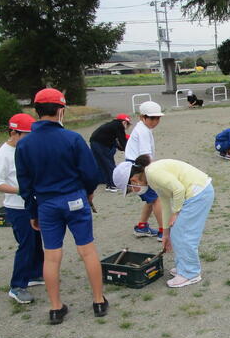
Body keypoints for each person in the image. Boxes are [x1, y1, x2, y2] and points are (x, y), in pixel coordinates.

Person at [15, 88, 107, 325]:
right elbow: (90, 173)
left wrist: (32, 211)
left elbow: (25, 183)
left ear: (36, 111)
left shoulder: (24, 144)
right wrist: (88, 193)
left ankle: (55, 308)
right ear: (61, 110)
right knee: (87, 250)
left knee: (52, 256)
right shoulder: (72, 138)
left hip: (46, 203)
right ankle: (98, 301)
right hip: (74, 199)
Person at [113, 156, 214, 288]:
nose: (134, 192)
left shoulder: (152, 173)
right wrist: (166, 233)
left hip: (198, 193)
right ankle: (184, 268)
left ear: (134, 181)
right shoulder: (151, 178)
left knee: (184, 234)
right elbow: (165, 203)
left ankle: (190, 273)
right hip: (196, 193)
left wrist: (176, 212)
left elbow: (178, 189)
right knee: (176, 233)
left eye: (131, 190)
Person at [0, 113, 44, 304]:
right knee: (26, 244)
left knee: (37, 241)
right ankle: (17, 286)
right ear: (14, 133)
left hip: (32, 203)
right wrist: (20, 190)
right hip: (17, 207)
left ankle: (35, 274)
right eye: (26, 135)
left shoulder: (26, 149)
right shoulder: (3, 154)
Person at [124, 100, 165, 239]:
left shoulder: (143, 129)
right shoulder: (143, 131)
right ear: (142, 117)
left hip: (138, 167)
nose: (155, 121)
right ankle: (163, 232)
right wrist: (154, 173)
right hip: (139, 169)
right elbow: (146, 156)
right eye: (152, 118)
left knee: (151, 198)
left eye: (158, 118)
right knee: (156, 198)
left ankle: (142, 226)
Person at [89, 113, 130, 191]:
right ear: (124, 122)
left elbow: (117, 141)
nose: (127, 127)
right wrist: (128, 151)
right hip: (100, 145)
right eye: (127, 124)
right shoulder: (119, 126)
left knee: (103, 165)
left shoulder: (112, 125)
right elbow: (122, 140)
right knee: (109, 164)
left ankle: (109, 185)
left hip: (94, 143)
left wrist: (123, 148)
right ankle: (113, 185)